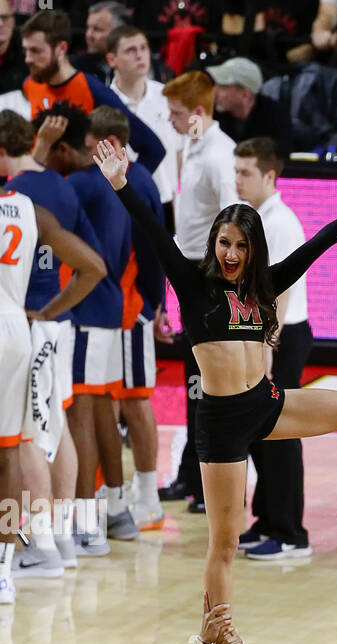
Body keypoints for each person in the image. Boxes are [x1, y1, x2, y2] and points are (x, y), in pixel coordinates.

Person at [93, 136, 337, 613]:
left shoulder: (267, 285)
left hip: (267, 403)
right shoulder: (194, 286)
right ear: (214, 245)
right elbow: (152, 229)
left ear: (254, 250)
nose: (231, 253)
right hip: (222, 423)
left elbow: (319, 243)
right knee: (225, 545)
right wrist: (120, 184)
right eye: (224, 243)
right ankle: (220, 638)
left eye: (241, 245)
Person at [0, 110, 108, 583]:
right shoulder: (58, 186)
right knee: (53, 429)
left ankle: (38, 542)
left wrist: (39, 311)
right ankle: (61, 537)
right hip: (53, 323)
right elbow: (94, 263)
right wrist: (52, 311)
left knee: (23, 440)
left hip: (23, 316)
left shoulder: (17, 190)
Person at [33, 103, 139, 552]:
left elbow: (26, 188)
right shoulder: (113, 180)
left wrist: (35, 151)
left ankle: (88, 525)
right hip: (108, 310)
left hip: (87, 311)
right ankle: (113, 512)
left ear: (61, 149)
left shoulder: (73, 183)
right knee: (99, 416)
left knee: (79, 418)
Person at [157, 69, 238, 512]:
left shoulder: (220, 156)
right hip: (189, 271)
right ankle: (191, 475)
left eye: (175, 112)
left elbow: (234, 219)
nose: (169, 119)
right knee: (194, 383)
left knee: (212, 386)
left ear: (199, 114)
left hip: (209, 276)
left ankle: (212, 485)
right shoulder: (190, 143)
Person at [234, 137, 314, 562]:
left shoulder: (278, 221)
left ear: (269, 175)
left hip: (283, 338)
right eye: (236, 171)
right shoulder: (256, 217)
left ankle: (290, 533)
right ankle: (265, 520)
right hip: (265, 337)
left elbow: (279, 291)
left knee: (282, 435)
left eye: (246, 172)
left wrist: (267, 345)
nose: (238, 180)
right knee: (261, 434)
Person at [87, 105, 165, 532]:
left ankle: (149, 497)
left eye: (93, 147)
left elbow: (154, 251)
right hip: (106, 313)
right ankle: (110, 491)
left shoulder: (140, 183)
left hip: (132, 310)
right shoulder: (106, 182)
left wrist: (155, 306)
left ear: (112, 144)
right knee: (107, 400)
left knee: (135, 401)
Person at [20, 9, 165, 175]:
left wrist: (124, 191)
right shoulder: (30, 84)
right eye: (26, 50)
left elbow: (153, 149)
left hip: (80, 195)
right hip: (43, 189)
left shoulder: (93, 89)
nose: (28, 59)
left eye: (36, 51)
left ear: (61, 48)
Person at [106, 23, 179, 228]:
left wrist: (178, 197)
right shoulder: (105, 104)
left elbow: (181, 151)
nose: (140, 55)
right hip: (125, 204)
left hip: (167, 201)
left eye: (144, 48)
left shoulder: (168, 97)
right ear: (112, 59)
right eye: (131, 50)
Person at [207, 57, 294, 160]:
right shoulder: (212, 113)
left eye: (223, 87)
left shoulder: (275, 117)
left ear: (245, 95)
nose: (214, 92)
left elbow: (280, 160)